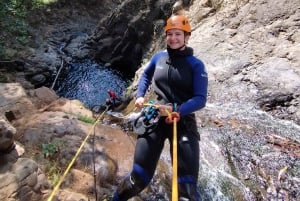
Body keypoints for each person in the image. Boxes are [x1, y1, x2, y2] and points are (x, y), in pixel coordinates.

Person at [112, 14, 208, 201]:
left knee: (187, 192)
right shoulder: (159, 58)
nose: (173, 38)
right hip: (154, 117)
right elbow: (146, 75)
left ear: (187, 37)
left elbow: (200, 99)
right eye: (169, 34)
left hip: (182, 120)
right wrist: (139, 95)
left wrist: (177, 109)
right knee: (137, 179)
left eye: (178, 34)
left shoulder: (196, 65)